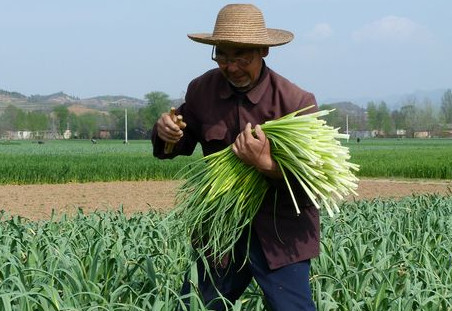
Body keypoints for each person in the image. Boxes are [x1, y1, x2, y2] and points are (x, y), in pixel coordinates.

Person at [151, 4, 319, 310]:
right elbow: (181, 137)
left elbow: (313, 181)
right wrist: (167, 133)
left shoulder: (296, 102)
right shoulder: (202, 89)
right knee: (195, 307)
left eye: (242, 56)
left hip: (281, 236)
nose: (232, 66)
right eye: (223, 56)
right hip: (222, 234)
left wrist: (266, 164)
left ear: (264, 51)